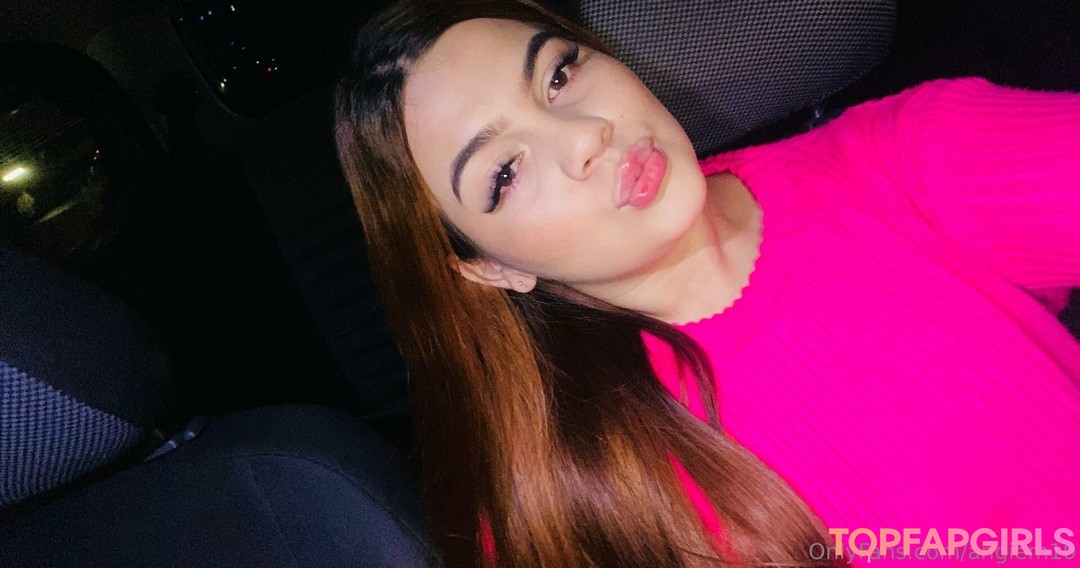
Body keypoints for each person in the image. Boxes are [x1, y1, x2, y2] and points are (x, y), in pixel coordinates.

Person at [332, 0, 1080, 565]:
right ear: (491, 266)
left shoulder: (901, 159)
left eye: (558, 73)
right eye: (503, 172)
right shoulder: (561, 506)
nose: (585, 134)